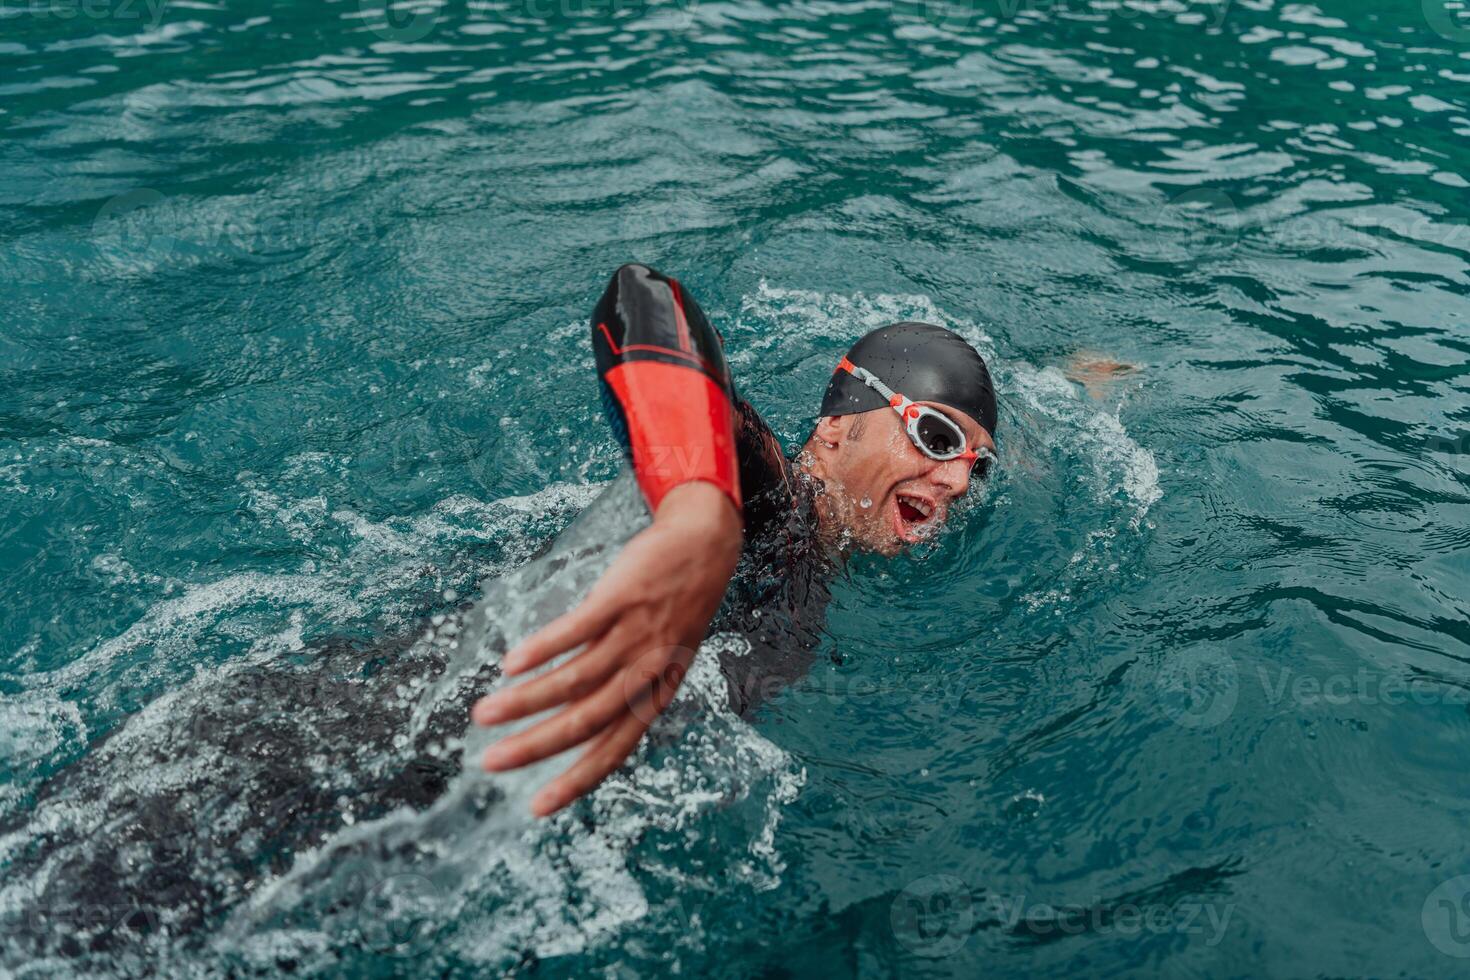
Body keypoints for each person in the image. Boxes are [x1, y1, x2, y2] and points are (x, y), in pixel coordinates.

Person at [471, 263, 998, 817]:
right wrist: (698, 515)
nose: (958, 482)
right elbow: (639, 298)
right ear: (836, 428)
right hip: (455, 724)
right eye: (936, 437)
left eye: (977, 466)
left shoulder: (812, 565)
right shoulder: (774, 499)